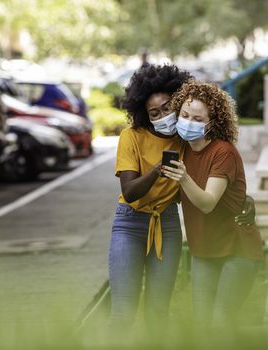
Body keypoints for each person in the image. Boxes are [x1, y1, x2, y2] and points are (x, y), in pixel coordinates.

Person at [162, 80, 264, 328]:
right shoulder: (180, 150)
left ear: (213, 122)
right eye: (184, 115)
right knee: (202, 325)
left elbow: (207, 203)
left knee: (220, 323)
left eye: (198, 119)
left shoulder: (223, 152)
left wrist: (184, 178)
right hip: (204, 249)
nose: (188, 122)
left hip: (237, 249)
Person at [108, 64, 191, 331]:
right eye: (154, 113)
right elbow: (130, 192)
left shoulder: (185, 139)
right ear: (145, 116)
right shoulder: (130, 137)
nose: (164, 116)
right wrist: (157, 171)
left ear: (177, 101)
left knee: (158, 312)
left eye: (168, 107)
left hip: (166, 224)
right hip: (129, 225)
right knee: (123, 310)